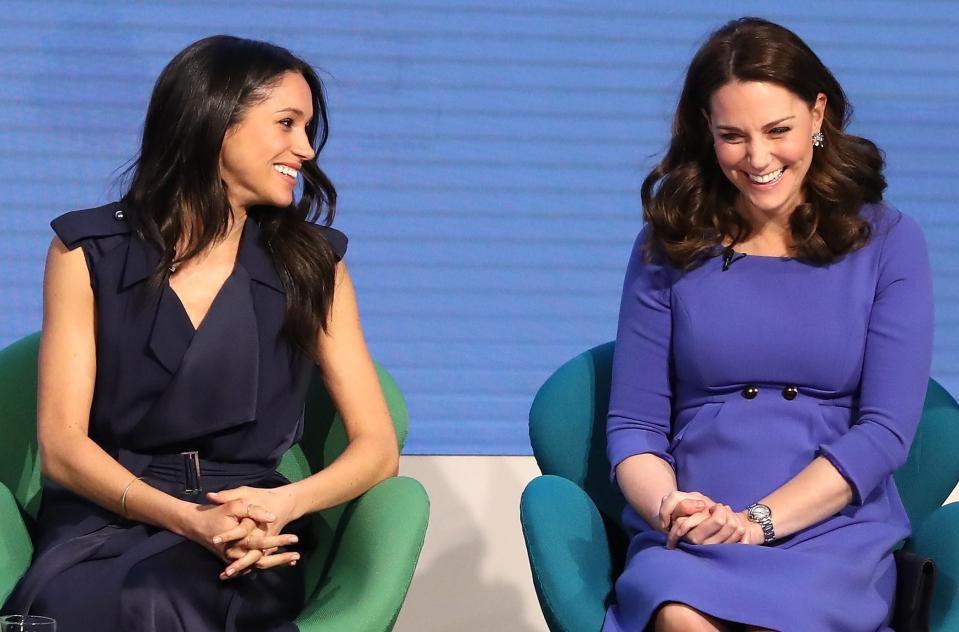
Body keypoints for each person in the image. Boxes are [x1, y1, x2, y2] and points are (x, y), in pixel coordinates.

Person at [1, 35, 399, 631]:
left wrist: (280, 504)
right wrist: (186, 520)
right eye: (286, 124)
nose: (307, 150)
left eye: (308, 128)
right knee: (106, 603)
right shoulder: (85, 251)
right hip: (110, 512)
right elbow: (61, 448)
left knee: (161, 599)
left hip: (248, 522)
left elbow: (377, 446)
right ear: (213, 121)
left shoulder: (314, 264)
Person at [604, 17, 933, 632]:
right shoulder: (668, 244)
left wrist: (761, 521)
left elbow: (885, 432)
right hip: (699, 523)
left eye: (777, 130)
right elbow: (634, 429)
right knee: (679, 614)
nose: (757, 160)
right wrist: (671, 506)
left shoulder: (888, 240)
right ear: (707, 130)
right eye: (733, 136)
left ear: (817, 115)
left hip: (831, 527)